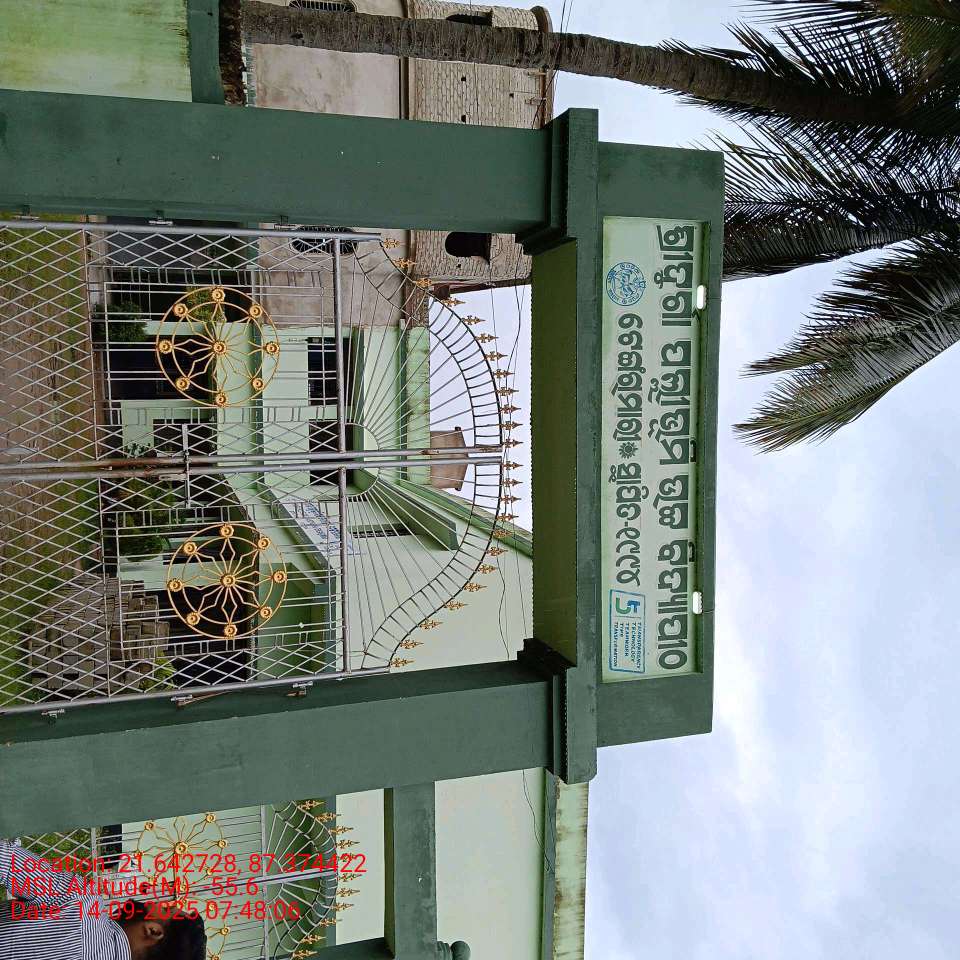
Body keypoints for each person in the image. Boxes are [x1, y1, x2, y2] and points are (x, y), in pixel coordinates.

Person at [0, 838, 206, 960]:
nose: (155, 902)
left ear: (153, 931)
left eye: (165, 909)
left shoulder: (82, 903)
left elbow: (5, 859)